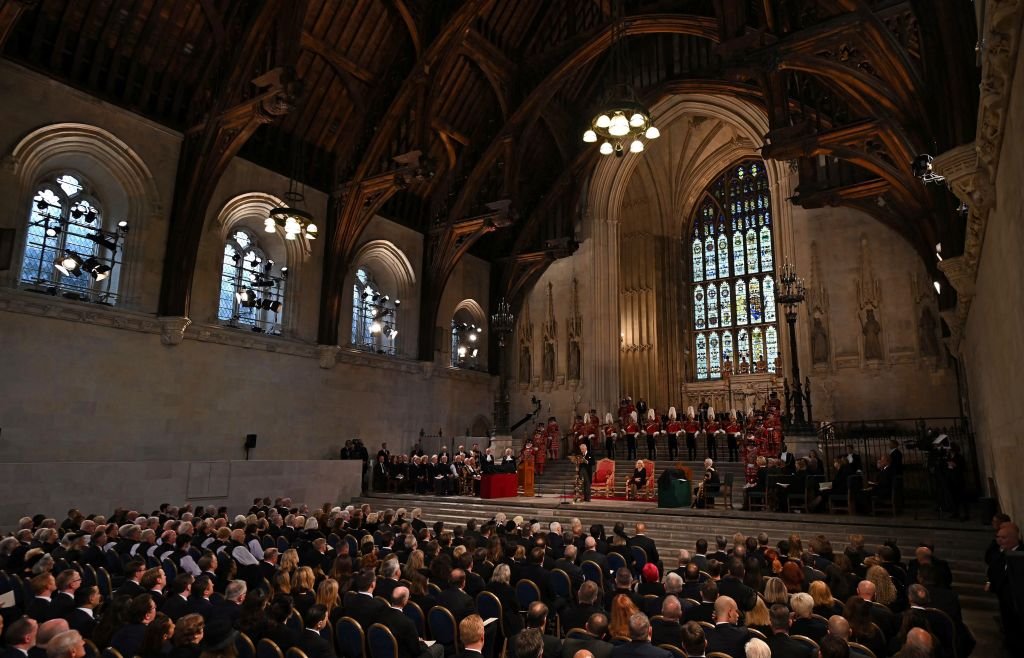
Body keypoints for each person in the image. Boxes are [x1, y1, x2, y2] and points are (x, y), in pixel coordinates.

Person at [987, 522, 1022, 654]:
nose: (999, 541)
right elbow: (993, 570)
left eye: (1003, 538)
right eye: (998, 537)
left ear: (1014, 538)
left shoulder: (1020, 553)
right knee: (1008, 626)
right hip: (1004, 597)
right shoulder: (1000, 554)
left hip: (1017, 598)